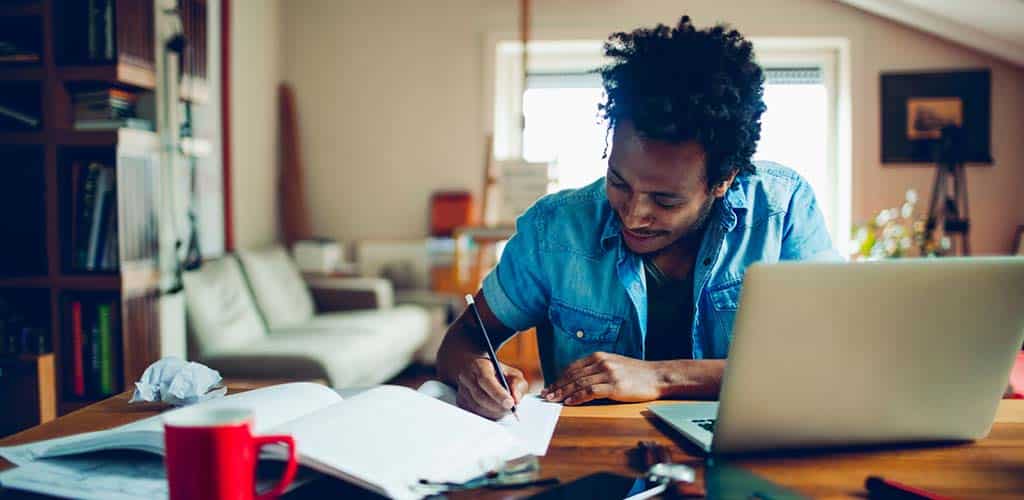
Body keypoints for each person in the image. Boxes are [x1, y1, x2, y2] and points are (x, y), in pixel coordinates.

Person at [437, 15, 837, 420]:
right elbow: (464, 339)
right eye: (619, 182)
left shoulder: (781, 211)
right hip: (593, 463)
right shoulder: (554, 230)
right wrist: (474, 370)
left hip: (747, 453)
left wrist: (664, 376)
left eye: (665, 200)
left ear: (723, 181)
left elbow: (830, 364)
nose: (634, 214)